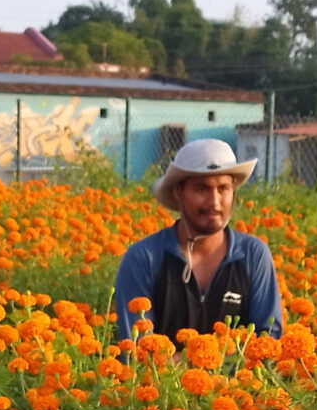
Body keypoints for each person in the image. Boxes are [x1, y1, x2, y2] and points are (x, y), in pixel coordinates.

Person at [111, 138, 282, 342]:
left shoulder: (253, 255)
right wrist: (205, 359)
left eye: (223, 188)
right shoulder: (144, 257)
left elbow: (268, 343)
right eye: (202, 188)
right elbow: (138, 349)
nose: (214, 201)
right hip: (161, 375)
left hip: (236, 374)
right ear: (178, 192)